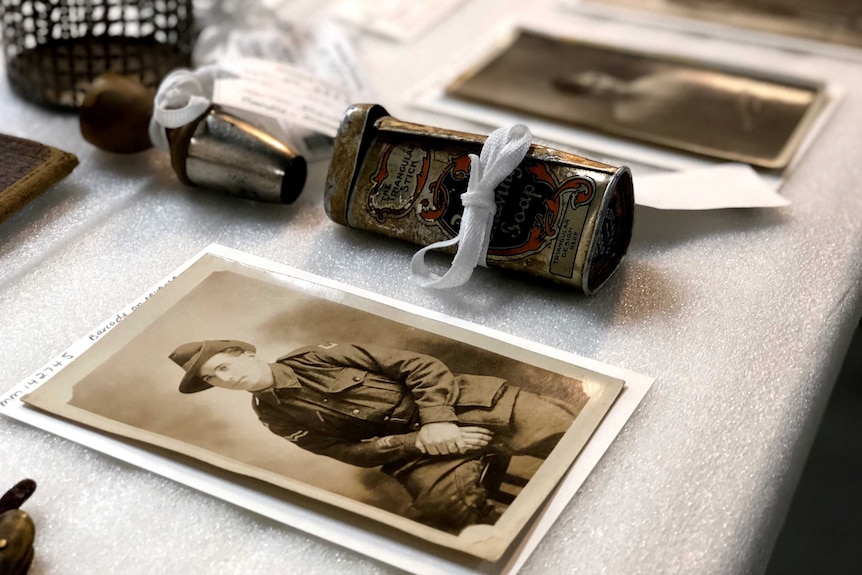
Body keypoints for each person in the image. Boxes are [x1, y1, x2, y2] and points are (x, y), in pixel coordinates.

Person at [169, 339, 576, 532]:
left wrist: (437, 420)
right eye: (214, 378)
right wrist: (417, 442)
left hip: (462, 400)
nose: (227, 378)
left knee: (560, 429)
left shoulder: (318, 356)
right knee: (452, 515)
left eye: (224, 365)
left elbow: (420, 367)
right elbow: (349, 452)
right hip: (415, 453)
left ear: (245, 353)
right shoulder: (272, 417)